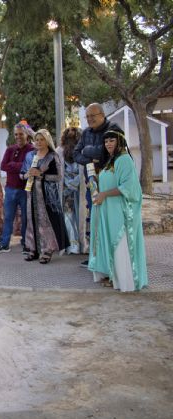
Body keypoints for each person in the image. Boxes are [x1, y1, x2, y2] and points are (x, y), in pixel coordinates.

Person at [88, 129, 147, 291]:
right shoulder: (111, 161)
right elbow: (109, 181)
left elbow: (128, 187)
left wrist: (104, 194)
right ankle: (114, 276)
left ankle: (124, 280)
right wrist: (95, 184)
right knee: (110, 242)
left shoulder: (124, 159)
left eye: (111, 141)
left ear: (119, 142)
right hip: (108, 208)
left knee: (119, 242)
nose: (108, 144)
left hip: (119, 210)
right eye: (106, 141)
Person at [73, 103, 123, 265]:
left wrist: (87, 150)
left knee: (111, 220)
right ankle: (96, 256)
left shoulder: (114, 128)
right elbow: (75, 153)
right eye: (87, 117)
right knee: (95, 220)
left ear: (102, 114)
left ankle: (115, 256)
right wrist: (90, 158)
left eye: (92, 116)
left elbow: (108, 152)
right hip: (92, 184)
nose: (89, 119)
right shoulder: (86, 132)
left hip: (111, 185)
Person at [20, 129, 68, 264]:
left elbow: (58, 177)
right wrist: (27, 174)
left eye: (42, 139)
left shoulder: (53, 156)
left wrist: (40, 175)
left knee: (45, 222)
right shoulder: (30, 156)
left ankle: (47, 249)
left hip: (47, 196)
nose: (39, 142)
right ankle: (33, 248)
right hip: (30, 194)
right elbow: (21, 173)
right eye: (37, 140)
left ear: (47, 141)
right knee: (31, 220)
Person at [0, 122, 36, 254]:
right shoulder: (10, 149)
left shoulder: (32, 150)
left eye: (20, 134)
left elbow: (29, 167)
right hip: (10, 188)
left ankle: (25, 242)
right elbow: (3, 165)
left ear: (26, 134)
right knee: (8, 217)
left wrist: (14, 165)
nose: (18, 137)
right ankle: (5, 243)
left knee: (25, 218)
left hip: (25, 189)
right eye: (16, 134)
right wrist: (20, 166)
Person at [58, 127, 84, 254]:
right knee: (68, 217)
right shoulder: (60, 151)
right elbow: (59, 171)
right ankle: (72, 245)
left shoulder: (82, 151)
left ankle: (82, 244)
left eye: (74, 138)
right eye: (69, 137)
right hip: (65, 190)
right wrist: (68, 183)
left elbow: (83, 170)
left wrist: (75, 182)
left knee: (80, 218)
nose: (71, 140)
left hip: (80, 190)